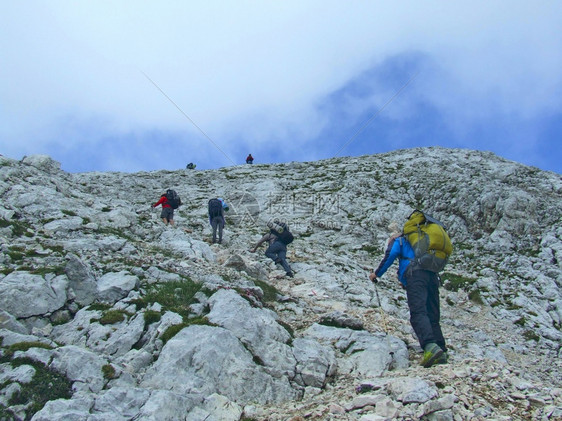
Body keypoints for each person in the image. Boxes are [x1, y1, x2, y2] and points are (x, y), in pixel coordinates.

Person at [369, 222, 447, 367]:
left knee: (418, 312)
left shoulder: (399, 240)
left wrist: (376, 274)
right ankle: (441, 349)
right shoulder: (421, 241)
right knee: (432, 313)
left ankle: (430, 347)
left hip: (415, 276)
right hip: (432, 276)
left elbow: (390, 255)